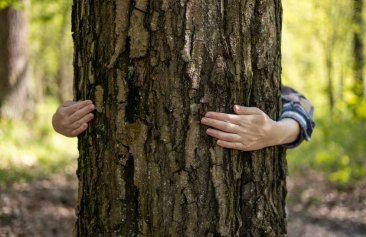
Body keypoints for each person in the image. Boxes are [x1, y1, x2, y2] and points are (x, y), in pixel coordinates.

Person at [52, 85, 315, 150]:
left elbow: (302, 107)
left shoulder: (259, 78)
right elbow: (84, 104)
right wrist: (61, 120)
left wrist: (276, 132)